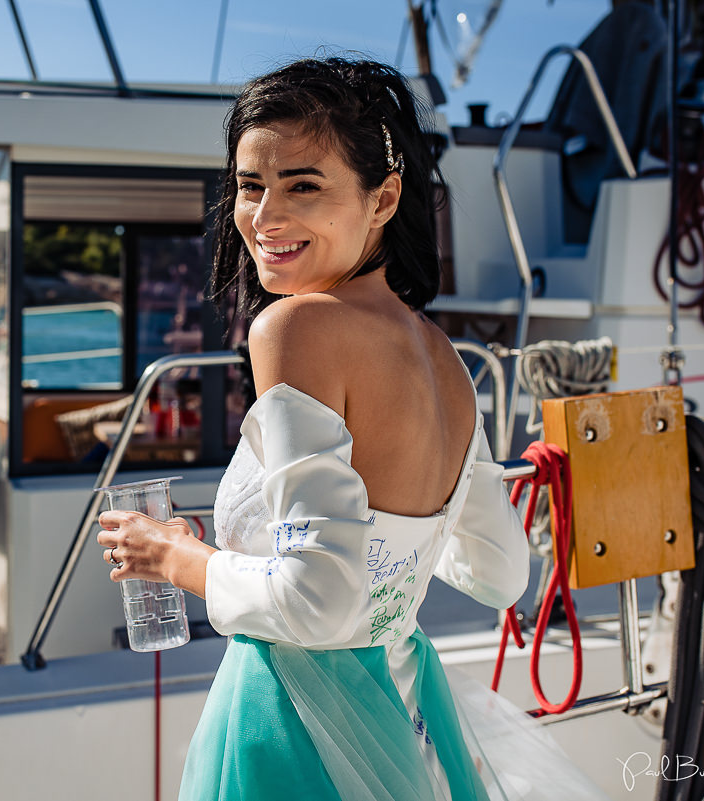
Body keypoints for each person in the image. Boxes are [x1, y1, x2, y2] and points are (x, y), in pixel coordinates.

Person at [97, 58, 606, 800]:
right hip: (405, 706)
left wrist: (176, 556)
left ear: (385, 198)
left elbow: (319, 600)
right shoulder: (446, 360)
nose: (264, 217)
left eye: (303, 185)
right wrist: (386, 562)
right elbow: (500, 573)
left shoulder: (294, 328)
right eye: (249, 186)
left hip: (297, 722)